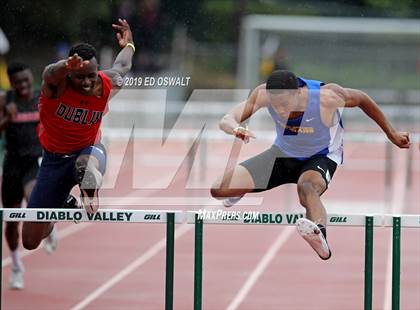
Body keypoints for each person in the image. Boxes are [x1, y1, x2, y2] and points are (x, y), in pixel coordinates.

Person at [210, 70, 410, 260]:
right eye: (275, 105)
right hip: (282, 154)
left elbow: (363, 99)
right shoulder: (262, 94)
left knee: (306, 188)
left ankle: (318, 232)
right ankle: (243, 189)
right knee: (218, 189)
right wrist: (236, 128)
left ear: (299, 92)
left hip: (320, 156)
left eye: (285, 104)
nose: (280, 110)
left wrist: (391, 133)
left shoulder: (327, 97)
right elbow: (227, 119)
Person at [21, 18, 135, 251]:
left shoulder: (105, 83)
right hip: (53, 161)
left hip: (89, 151)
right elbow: (48, 72)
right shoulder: (56, 87)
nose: (86, 82)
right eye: (80, 77)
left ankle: (89, 188)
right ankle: (57, 211)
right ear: (70, 75)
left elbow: (122, 66)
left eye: (91, 76)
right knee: (31, 240)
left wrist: (129, 45)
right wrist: (65, 64)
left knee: (84, 166)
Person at [0, 63, 60, 289]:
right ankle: (16, 266)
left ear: (31, 78)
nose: (23, 86)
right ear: (11, 84)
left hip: (35, 163)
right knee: (11, 222)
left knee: (33, 203)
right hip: (12, 165)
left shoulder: (40, 97)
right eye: (18, 83)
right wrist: (7, 117)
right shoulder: (5, 100)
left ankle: (47, 226)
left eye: (26, 80)